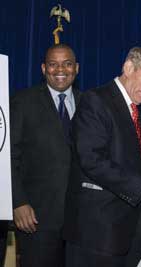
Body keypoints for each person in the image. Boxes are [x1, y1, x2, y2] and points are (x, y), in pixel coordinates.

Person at [63, 47, 141, 267]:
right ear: (129, 67)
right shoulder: (96, 100)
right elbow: (92, 159)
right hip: (98, 235)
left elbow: (134, 168)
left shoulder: (135, 112)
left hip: (130, 234)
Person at [10, 43, 80, 267]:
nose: (60, 69)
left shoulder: (89, 103)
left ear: (76, 68)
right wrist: (18, 201)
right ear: (43, 68)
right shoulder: (22, 102)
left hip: (81, 220)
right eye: (53, 64)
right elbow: (7, 156)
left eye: (67, 64)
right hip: (37, 218)